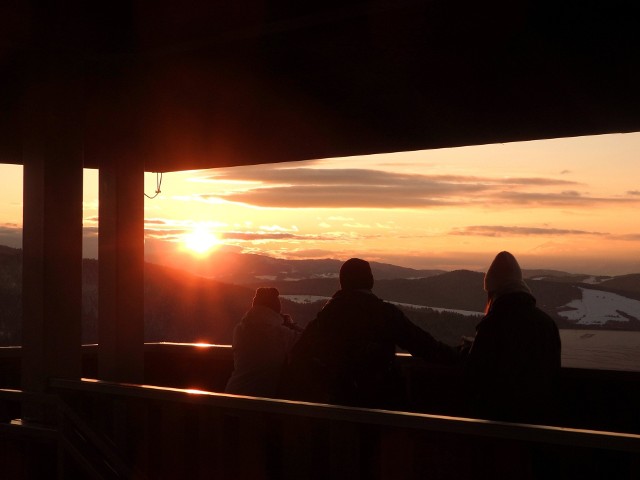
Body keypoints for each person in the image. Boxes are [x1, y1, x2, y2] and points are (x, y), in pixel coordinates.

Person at [279, 258, 460, 409]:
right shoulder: (383, 312)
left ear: (342, 282)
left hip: (338, 404)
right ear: (370, 281)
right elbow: (423, 345)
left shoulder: (327, 316)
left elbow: (299, 354)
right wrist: (459, 355)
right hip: (382, 402)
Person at [465, 251, 561, 423]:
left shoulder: (493, 324)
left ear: (493, 291)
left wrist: (469, 351)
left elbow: (476, 374)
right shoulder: (547, 323)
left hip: (499, 421)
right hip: (541, 419)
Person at [225, 287, 302, 397]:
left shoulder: (240, 330)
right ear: (276, 309)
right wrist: (291, 325)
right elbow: (309, 339)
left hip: (232, 395)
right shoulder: (279, 333)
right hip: (258, 401)